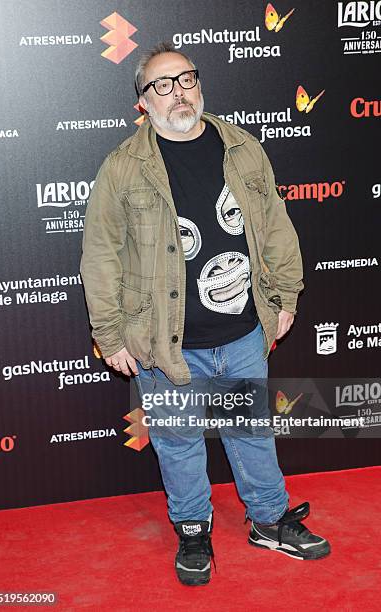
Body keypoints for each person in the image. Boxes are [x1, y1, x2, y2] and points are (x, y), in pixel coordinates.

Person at [80, 41, 330, 586]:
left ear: (200, 84)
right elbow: (99, 256)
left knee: (251, 431)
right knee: (178, 441)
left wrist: (286, 295)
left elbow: (276, 224)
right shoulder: (122, 169)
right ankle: (193, 529)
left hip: (241, 330)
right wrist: (110, 332)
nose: (178, 93)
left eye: (186, 79)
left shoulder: (242, 147)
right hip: (163, 341)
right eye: (162, 85)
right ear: (142, 102)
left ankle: (268, 520)